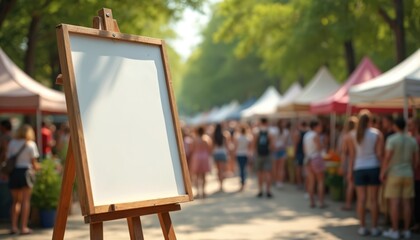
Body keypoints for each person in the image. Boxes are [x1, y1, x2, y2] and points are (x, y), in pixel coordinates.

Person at [381, 117, 419, 239]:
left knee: (395, 203)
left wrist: (383, 172)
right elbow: (416, 160)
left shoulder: (392, 139)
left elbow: (387, 158)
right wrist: (411, 169)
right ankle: (407, 230)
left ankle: (395, 229)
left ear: (395, 126)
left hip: (394, 173)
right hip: (408, 173)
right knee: (407, 203)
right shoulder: (412, 140)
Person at [348, 110, 383, 236]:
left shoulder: (352, 134)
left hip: (359, 168)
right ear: (370, 121)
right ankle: (374, 227)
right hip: (373, 167)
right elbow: (379, 154)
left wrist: (350, 172)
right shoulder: (376, 134)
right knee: (374, 200)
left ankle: (362, 227)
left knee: (361, 200)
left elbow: (352, 156)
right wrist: (384, 169)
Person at [7, 124, 39, 235]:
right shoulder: (31, 144)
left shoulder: (12, 143)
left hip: (14, 173)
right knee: (26, 201)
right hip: (26, 173)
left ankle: (14, 227)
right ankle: (24, 227)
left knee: (16, 201)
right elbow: (34, 164)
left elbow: (8, 158)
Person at [303, 120, 326, 208]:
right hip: (316, 158)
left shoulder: (306, 135)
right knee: (320, 181)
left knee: (311, 182)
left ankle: (312, 202)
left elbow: (304, 149)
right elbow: (319, 147)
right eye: (320, 126)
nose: (321, 128)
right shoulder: (315, 135)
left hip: (308, 159)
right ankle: (321, 202)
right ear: (315, 126)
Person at [340, 116, 358, 211]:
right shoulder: (359, 134)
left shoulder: (347, 136)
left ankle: (348, 204)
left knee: (350, 184)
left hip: (350, 161)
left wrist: (342, 165)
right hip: (359, 161)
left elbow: (344, 152)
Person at [254, 118, 275, 198]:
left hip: (259, 155)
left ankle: (260, 190)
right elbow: (272, 145)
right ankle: (268, 191)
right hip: (268, 155)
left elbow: (254, 144)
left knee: (260, 174)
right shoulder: (270, 132)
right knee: (268, 173)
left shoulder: (257, 132)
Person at [190, 127, 212, 199]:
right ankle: (203, 191)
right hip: (204, 157)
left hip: (196, 157)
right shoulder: (206, 138)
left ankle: (198, 191)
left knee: (196, 176)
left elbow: (192, 149)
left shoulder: (195, 139)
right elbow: (209, 148)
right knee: (204, 176)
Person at [233, 125, 252, 191]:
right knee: (244, 169)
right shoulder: (248, 138)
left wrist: (234, 154)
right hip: (245, 154)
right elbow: (249, 148)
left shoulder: (238, 138)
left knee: (241, 169)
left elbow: (235, 147)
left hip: (239, 154)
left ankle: (242, 183)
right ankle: (244, 182)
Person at [272, 119, 290, 188]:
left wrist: (275, 148)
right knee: (281, 168)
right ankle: (279, 181)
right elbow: (285, 143)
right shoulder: (286, 131)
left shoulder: (274, 131)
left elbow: (273, 141)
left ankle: (276, 180)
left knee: (276, 167)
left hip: (276, 150)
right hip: (282, 149)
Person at [212, 123, 230, 192]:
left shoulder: (214, 136)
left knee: (218, 170)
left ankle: (219, 185)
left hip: (216, 153)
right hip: (223, 153)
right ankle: (222, 185)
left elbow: (212, 146)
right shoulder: (225, 135)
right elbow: (227, 146)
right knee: (222, 170)